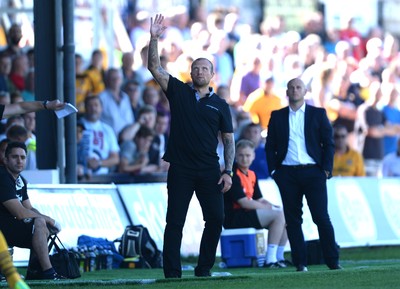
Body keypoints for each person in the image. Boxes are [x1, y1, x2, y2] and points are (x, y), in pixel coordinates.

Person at [148, 14, 235, 278]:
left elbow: (228, 141)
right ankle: (172, 273)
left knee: (217, 219)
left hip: (209, 168)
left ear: (212, 74)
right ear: (191, 72)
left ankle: (204, 268)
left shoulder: (220, 105)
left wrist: (228, 171)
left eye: (204, 69)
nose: (199, 72)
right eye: (195, 68)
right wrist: (153, 38)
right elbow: (155, 68)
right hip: (181, 168)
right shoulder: (178, 91)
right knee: (174, 221)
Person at [265, 78, 341, 272]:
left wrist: (326, 169)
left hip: (313, 172)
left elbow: (329, 143)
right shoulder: (277, 116)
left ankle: (333, 261)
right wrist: (274, 171)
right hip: (287, 174)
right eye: (291, 87)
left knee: (321, 217)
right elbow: (270, 146)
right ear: (287, 92)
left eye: (298, 87)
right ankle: (301, 263)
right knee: (292, 220)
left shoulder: (318, 114)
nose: (295, 90)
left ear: (305, 91)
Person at [0, 142, 64, 280]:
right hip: (2, 229)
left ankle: (36, 271)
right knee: (39, 223)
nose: (19, 161)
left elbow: (29, 208)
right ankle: (47, 272)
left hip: (7, 227)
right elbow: (20, 213)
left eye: (23, 157)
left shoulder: (20, 180)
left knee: (40, 225)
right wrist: (50, 220)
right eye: (15, 157)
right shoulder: (2, 177)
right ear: (5, 160)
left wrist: (47, 222)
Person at [224, 139, 289, 268]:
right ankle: (270, 259)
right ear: (235, 156)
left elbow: (259, 199)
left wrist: (274, 206)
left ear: (253, 156)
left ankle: (279, 257)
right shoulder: (232, 174)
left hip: (247, 214)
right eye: (241, 155)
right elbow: (244, 203)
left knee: (285, 215)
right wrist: (268, 208)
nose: (244, 159)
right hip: (234, 217)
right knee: (278, 216)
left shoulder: (252, 174)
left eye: (248, 155)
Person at [78, 95, 120, 176]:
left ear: (101, 108)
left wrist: (99, 163)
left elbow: (115, 158)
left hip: (102, 178)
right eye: (90, 105)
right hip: (81, 176)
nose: (93, 109)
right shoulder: (77, 126)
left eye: (96, 105)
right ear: (85, 108)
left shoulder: (108, 130)